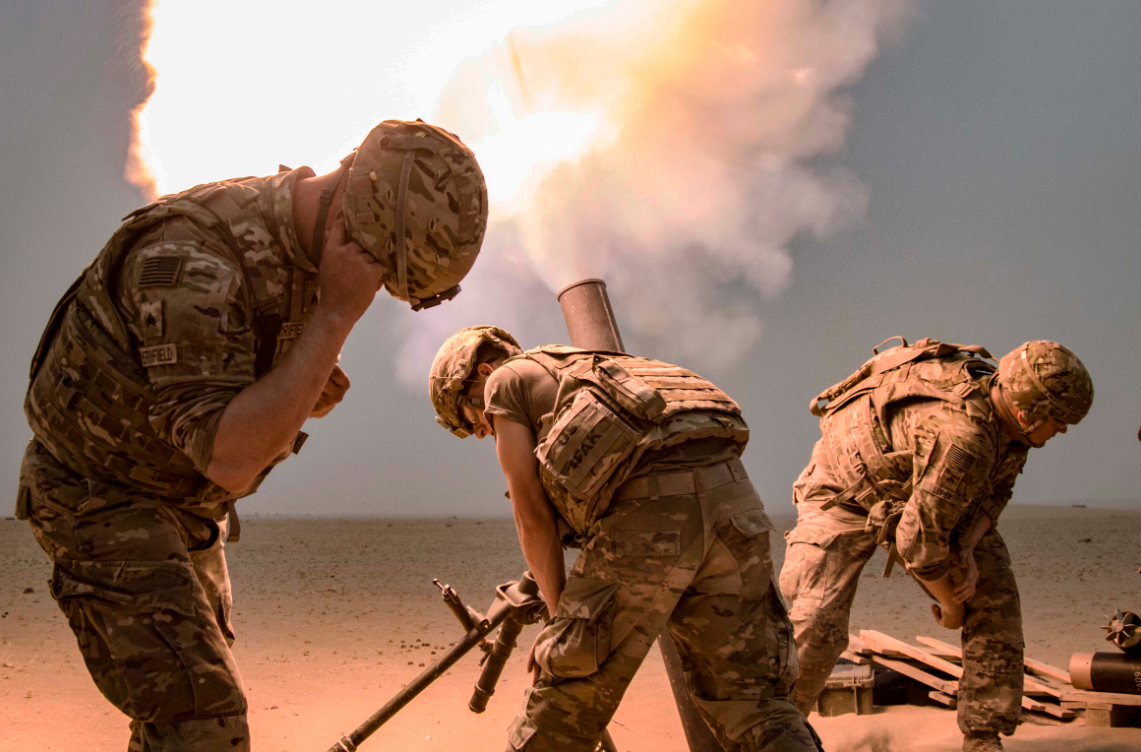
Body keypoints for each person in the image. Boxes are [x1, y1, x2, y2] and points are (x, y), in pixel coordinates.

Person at [17, 119, 488, 751]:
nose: (372, 291)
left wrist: (296, 378)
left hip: (181, 502)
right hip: (97, 493)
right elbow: (230, 460)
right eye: (378, 273)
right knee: (201, 717)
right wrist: (332, 320)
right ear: (353, 219)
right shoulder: (190, 260)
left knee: (183, 701)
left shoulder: (305, 242)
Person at [429, 326, 823, 752]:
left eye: (474, 421)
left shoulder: (504, 382)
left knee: (562, 705)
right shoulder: (605, 368)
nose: (485, 432)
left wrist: (561, 630)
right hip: (737, 510)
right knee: (753, 701)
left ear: (483, 373)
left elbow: (532, 515)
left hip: (651, 520)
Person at [778, 337, 1093, 752]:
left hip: (921, 490)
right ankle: (773, 736)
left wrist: (967, 547)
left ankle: (983, 736)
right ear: (1026, 411)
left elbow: (995, 493)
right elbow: (917, 545)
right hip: (844, 492)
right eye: (1059, 419)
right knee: (816, 625)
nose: (1063, 430)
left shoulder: (1014, 427)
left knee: (995, 597)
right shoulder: (966, 436)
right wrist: (950, 606)